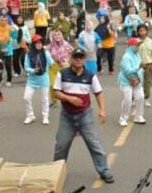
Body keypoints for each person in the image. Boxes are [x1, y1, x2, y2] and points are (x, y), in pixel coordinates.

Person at [53, 48, 114, 183]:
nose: (78, 60)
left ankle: (104, 171)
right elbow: (56, 92)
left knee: (94, 144)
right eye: (76, 57)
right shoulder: (62, 74)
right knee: (61, 146)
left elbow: (98, 93)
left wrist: (102, 110)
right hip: (67, 116)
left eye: (81, 57)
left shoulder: (90, 76)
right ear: (71, 59)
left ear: (84, 59)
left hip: (84, 115)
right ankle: (56, 172)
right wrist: (69, 99)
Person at [24, 34, 55, 125]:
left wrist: (61, 71)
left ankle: (45, 116)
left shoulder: (45, 52)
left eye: (40, 43)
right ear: (33, 44)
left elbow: (52, 63)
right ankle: (30, 115)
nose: (39, 45)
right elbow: (26, 67)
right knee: (26, 97)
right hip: (32, 80)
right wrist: (33, 70)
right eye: (36, 43)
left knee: (45, 99)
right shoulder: (28, 54)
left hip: (44, 79)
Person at [118, 38, 146, 126]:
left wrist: (139, 78)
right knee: (128, 99)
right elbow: (127, 71)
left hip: (137, 81)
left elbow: (140, 70)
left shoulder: (137, 55)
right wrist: (139, 67)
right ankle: (123, 118)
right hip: (126, 82)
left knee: (141, 97)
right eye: (137, 45)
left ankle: (139, 116)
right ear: (131, 46)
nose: (138, 47)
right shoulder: (126, 57)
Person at [48, 30, 73, 104]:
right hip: (53, 67)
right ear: (53, 37)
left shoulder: (66, 44)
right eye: (55, 35)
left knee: (65, 85)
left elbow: (72, 52)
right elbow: (44, 50)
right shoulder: (51, 45)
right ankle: (53, 101)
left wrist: (67, 61)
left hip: (64, 66)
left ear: (61, 36)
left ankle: (67, 99)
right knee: (52, 85)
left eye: (59, 35)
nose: (57, 37)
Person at [137, 24, 152, 108]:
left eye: (144, 30)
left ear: (146, 31)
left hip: (148, 64)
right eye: (140, 31)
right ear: (138, 32)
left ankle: (146, 99)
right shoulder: (136, 41)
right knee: (137, 82)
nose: (142, 32)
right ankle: (135, 99)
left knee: (147, 82)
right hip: (138, 65)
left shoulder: (150, 41)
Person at [0, 15, 14, 87]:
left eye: (5, 20)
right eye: (2, 20)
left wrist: (15, 31)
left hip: (8, 49)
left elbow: (15, 36)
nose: (4, 21)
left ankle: (9, 80)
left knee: (8, 66)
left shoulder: (10, 28)